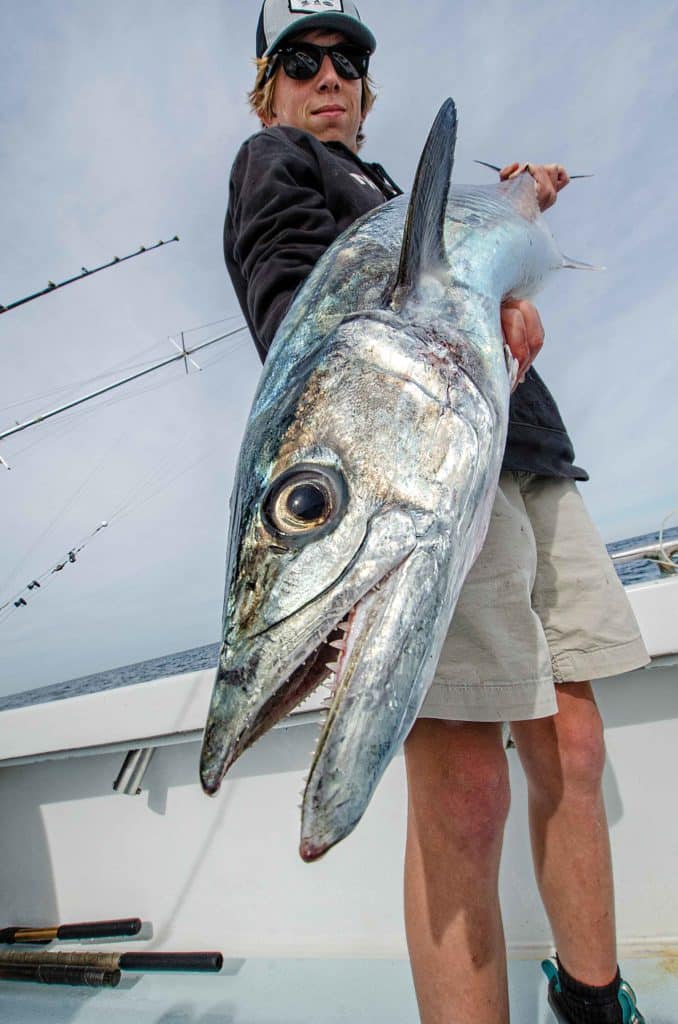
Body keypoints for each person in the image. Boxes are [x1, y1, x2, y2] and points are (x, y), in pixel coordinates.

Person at [224, 3, 649, 1021]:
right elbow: (292, 306)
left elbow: (473, 276)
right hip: (417, 468)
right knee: (465, 794)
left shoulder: (405, 190)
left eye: (348, 62)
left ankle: (594, 1001)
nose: (328, 76)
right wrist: (445, 325)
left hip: (533, 455)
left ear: (368, 94)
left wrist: (524, 205)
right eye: (300, 59)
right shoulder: (274, 159)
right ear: (268, 86)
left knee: (576, 748)